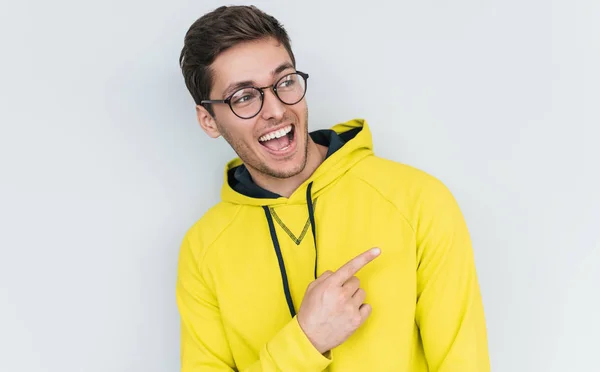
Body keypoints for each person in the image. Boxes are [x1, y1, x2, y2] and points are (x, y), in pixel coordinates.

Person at [176, 5, 490, 371]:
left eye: (284, 82)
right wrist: (305, 340)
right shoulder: (202, 250)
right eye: (244, 97)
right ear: (208, 120)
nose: (275, 109)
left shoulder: (418, 200)